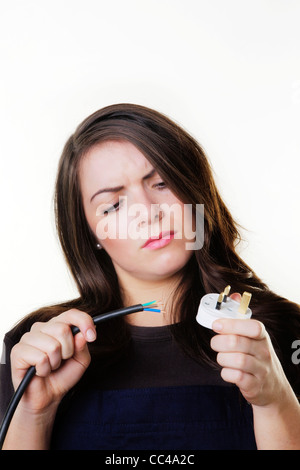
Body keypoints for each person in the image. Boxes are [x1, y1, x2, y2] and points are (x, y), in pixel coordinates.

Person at [1, 103, 300, 450]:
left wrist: (274, 400)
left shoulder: (285, 330)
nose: (148, 212)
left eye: (162, 183)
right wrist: (34, 413)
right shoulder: (36, 349)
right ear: (90, 233)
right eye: (113, 205)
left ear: (195, 192)